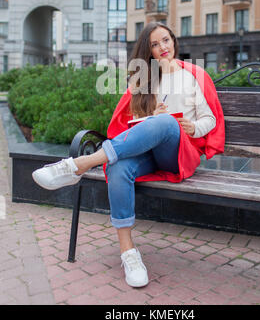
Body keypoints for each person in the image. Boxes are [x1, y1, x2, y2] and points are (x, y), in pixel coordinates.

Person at [32, 22, 225, 288]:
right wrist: (149, 118)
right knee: (118, 166)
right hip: (148, 152)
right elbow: (131, 123)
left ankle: (78, 165)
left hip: (179, 154)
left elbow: (210, 119)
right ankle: (128, 252)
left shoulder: (193, 75)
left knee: (167, 123)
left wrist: (193, 127)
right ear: (149, 51)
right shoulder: (143, 79)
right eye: (155, 44)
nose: (162, 48)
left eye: (166, 40)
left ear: (174, 41)